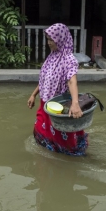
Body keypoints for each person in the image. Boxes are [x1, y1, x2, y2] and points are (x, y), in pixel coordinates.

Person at [27, 23, 88, 156]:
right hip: (45, 105)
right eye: (48, 39)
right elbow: (45, 80)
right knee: (39, 131)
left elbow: (72, 81)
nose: (49, 43)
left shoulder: (69, 59)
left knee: (65, 143)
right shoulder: (52, 57)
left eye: (51, 40)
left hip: (58, 108)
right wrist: (33, 95)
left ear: (60, 39)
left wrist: (75, 103)